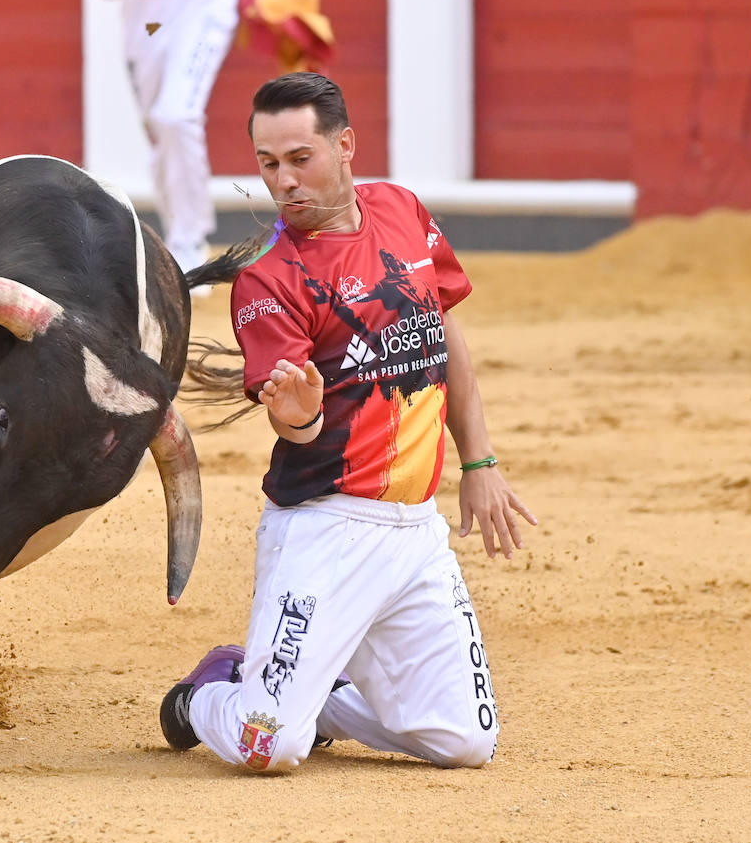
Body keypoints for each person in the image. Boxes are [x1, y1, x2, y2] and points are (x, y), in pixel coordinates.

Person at [161, 72, 539, 771]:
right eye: (268, 164)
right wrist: (297, 418)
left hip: (416, 530)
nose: (283, 181)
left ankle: (315, 692)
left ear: (345, 145)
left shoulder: (401, 209)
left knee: (464, 739)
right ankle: (205, 694)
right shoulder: (270, 278)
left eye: (299, 158)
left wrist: (479, 462)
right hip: (325, 529)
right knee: (267, 745)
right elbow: (296, 430)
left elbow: (440, 329)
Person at [81, 0, 288, 283]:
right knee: (159, 129)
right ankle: (176, 238)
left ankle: (188, 242)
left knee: (175, 116)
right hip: (145, 7)